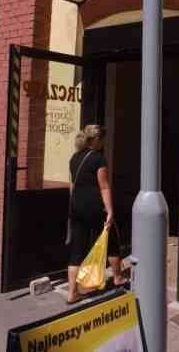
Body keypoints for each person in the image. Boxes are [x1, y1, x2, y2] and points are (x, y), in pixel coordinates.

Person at [67, 124, 128, 304]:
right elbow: (104, 186)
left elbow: (72, 186)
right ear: (96, 140)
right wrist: (110, 210)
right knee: (111, 239)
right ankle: (117, 277)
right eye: (102, 140)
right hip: (95, 207)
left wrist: (74, 205)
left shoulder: (74, 158)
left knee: (77, 249)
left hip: (77, 207)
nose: (103, 143)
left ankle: (72, 293)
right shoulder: (98, 159)